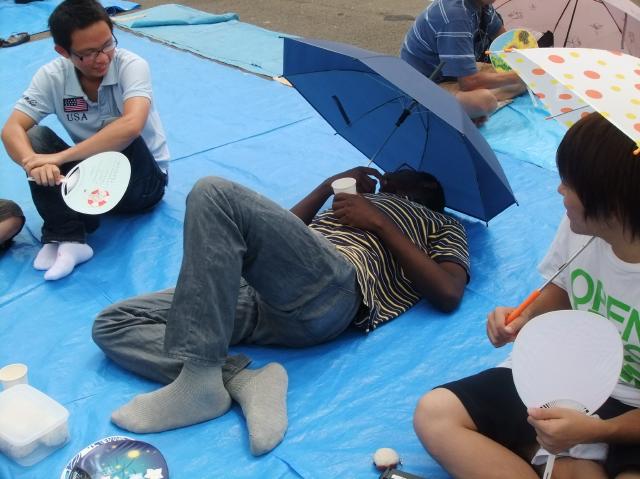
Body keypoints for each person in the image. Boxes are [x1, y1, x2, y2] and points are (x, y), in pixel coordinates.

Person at [92, 166, 470, 456]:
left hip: (331, 291)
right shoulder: (349, 203)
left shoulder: (441, 222)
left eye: (396, 173)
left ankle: (200, 380)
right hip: (261, 290)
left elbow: (449, 292)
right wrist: (326, 188)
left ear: (421, 187)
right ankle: (243, 381)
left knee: (213, 191)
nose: (384, 175)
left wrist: (379, 222)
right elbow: (258, 239)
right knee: (112, 323)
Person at [413, 113, 640, 479]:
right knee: (434, 413)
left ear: (612, 206)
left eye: (570, 183)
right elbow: (563, 287)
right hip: (567, 374)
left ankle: (552, 454)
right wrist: (525, 316)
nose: (559, 190)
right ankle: (558, 457)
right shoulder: (582, 227)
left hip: (631, 409)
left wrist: (597, 431)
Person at [1, 0, 169, 281]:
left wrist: (58, 158)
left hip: (141, 186)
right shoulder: (52, 76)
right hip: (93, 180)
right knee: (33, 138)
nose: (102, 58)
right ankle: (66, 236)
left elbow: (132, 125)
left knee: (118, 127)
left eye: (107, 44)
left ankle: (75, 220)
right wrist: (33, 163)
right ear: (63, 52)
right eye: (89, 53)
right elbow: (11, 129)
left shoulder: (131, 66)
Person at [401, 0, 526, 120]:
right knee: (485, 101)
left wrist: (522, 58)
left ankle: (467, 109)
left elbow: (504, 40)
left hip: (451, 74)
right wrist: (519, 75)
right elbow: (468, 83)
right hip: (426, 85)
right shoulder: (456, 15)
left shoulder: (483, 6)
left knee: (520, 80)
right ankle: (468, 108)